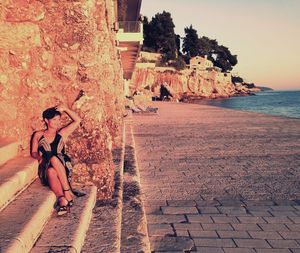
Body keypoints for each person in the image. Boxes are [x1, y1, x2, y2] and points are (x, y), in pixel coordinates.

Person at [31, 105, 81, 215]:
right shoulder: (38, 135)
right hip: (46, 166)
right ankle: (64, 195)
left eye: (59, 119)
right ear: (46, 120)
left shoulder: (62, 134)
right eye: (54, 119)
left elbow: (77, 120)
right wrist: (39, 158)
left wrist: (66, 109)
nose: (57, 122)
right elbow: (34, 152)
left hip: (63, 165)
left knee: (54, 159)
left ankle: (64, 196)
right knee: (50, 171)